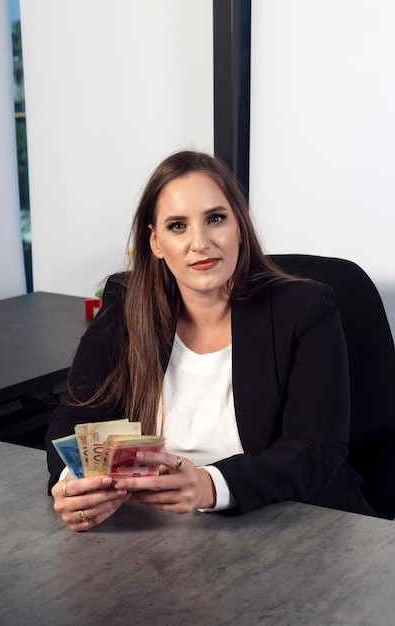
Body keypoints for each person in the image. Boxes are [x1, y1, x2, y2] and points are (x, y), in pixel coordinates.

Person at [47, 150, 374, 531]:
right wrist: (73, 486)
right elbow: (75, 417)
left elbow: (316, 449)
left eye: (215, 219)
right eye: (177, 226)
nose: (199, 243)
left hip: (291, 526)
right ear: (155, 243)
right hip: (157, 533)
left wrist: (209, 485)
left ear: (239, 226)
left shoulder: (304, 309)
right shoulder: (126, 303)